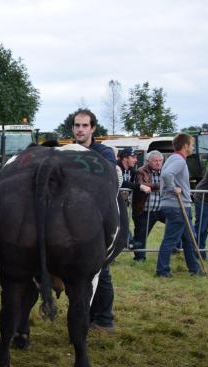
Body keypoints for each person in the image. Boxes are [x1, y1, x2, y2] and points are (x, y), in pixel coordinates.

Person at [71, 109, 118, 333]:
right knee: (80, 270)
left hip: (99, 218)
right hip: (72, 217)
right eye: (77, 125)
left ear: (93, 128)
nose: (80, 129)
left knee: (101, 267)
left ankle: (104, 319)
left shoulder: (103, 152)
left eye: (84, 126)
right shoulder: (67, 151)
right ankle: (86, 317)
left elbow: (108, 176)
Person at [155, 133, 201, 278]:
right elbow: (167, 175)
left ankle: (195, 269)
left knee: (189, 239)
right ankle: (162, 271)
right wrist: (173, 188)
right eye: (191, 145)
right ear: (185, 146)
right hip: (177, 206)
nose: (192, 147)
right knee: (170, 239)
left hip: (177, 206)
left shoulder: (172, 158)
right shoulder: (179, 160)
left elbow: (166, 174)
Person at [131, 151, 165, 261]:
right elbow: (142, 185)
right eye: (155, 161)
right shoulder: (141, 171)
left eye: (160, 161)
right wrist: (161, 186)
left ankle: (177, 247)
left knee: (177, 223)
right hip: (144, 209)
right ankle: (139, 258)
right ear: (148, 161)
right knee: (141, 234)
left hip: (161, 208)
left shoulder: (164, 171)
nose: (158, 163)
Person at [117, 147, 139, 249]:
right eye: (133, 157)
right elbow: (120, 182)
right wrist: (138, 187)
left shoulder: (132, 171)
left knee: (122, 221)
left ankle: (128, 241)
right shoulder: (116, 167)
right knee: (121, 221)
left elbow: (131, 184)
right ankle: (129, 241)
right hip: (111, 201)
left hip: (122, 202)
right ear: (125, 158)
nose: (136, 160)